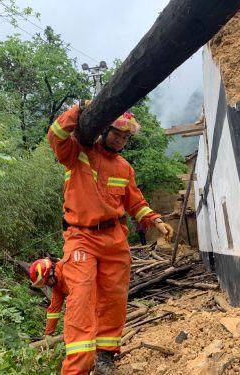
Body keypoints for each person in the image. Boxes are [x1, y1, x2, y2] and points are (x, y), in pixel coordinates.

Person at [47, 103, 173, 375]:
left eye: (126, 137)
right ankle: (77, 368)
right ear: (104, 128)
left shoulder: (124, 168)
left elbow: (135, 201)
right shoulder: (77, 153)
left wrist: (155, 220)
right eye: (117, 133)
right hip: (81, 237)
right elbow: (55, 134)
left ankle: (105, 358)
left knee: (114, 300)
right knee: (80, 297)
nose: (121, 140)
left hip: (115, 240)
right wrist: (80, 110)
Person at [29, 257, 68, 337]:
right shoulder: (57, 285)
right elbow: (54, 310)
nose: (48, 284)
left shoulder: (69, 271)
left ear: (51, 272)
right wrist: (48, 334)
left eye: (47, 281)